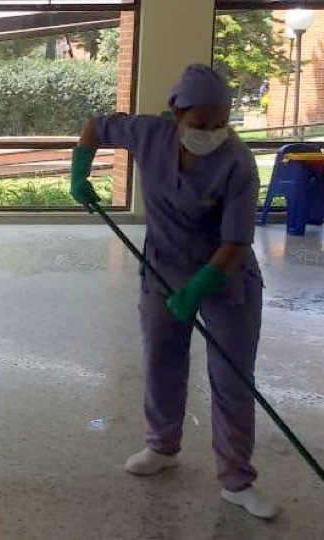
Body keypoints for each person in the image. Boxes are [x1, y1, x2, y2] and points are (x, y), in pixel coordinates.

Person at [70, 64, 279, 520]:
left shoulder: (237, 162)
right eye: (201, 123)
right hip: (163, 268)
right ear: (176, 112)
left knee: (232, 378)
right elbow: (94, 126)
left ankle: (236, 480)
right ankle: (161, 447)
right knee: (162, 361)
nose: (212, 132)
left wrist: (200, 285)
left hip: (225, 278)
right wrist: (80, 171)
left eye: (221, 122)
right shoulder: (148, 134)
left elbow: (236, 240)